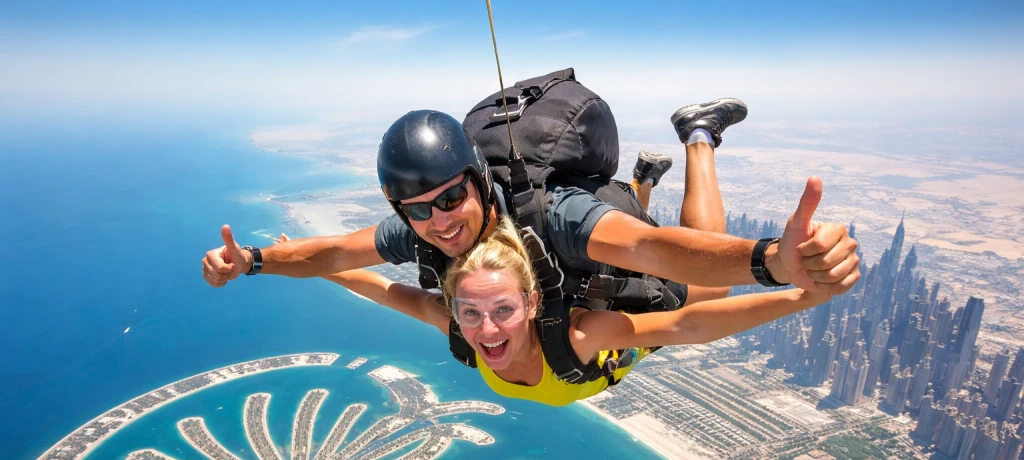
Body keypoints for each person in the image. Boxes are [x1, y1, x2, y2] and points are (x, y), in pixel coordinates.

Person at [202, 99, 859, 307]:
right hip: (596, 242)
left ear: (476, 179)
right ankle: (643, 181)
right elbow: (332, 252)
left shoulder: (552, 217)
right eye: (418, 211)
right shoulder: (426, 230)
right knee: (633, 209)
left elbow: (662, 251)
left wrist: (771, 261)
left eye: (451, 197)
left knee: (700, 294)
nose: (441, 221)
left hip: (603, 237)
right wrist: (254, 261)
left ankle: (698, 136)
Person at [312, 206, 844, 406]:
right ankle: (641, 184)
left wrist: (798, 295)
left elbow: (687, 323)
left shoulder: (578, 337)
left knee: (711, 272)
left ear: (532, 301)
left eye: (502, 310)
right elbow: (384, 290)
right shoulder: (457, 324)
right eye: (469, 312)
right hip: (599, 314)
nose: (485, 328)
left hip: (633, 308)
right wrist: (322, 269)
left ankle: (699, 135)